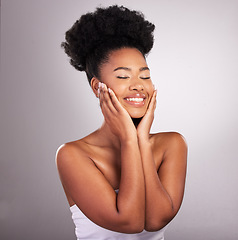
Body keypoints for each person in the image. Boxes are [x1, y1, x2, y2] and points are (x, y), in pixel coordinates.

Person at [56, 5, 187, 240]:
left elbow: (155, 220)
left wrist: (141, 142)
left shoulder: (172, 144)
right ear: (98, 87)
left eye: (145, 76)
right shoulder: (73, 155)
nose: (138, 85)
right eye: (123, 76)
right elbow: (130, 221)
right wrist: (129, 140)